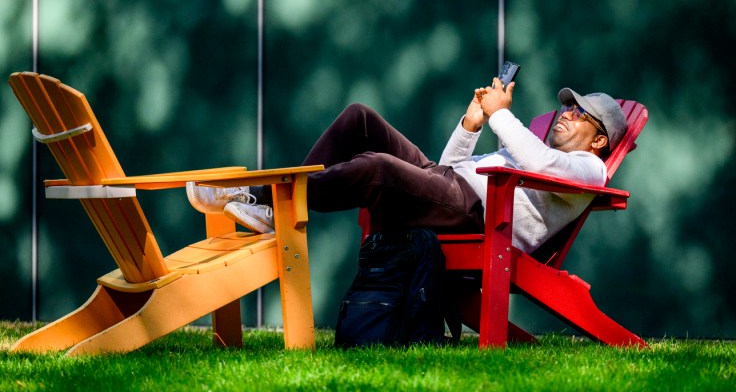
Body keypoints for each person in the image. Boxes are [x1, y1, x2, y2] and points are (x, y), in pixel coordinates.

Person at [186, 77, 627, 254]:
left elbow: (544, 165)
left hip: (476, 216)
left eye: (578, 113)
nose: (565, 114)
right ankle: (275, 208)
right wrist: (471, 124)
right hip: (450, 187)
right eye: (565, 108)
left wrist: (499, 114)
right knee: (360, 117)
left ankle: (267, 201)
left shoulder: (589, 171)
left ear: (600, 139)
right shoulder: (532, 149)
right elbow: (451, 166)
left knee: (376, 167)